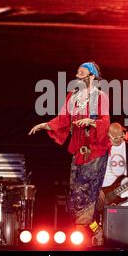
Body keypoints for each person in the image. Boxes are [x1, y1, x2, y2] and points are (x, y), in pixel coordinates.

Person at [29, 61, 110, 245]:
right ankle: (96, 231)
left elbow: (105, 121)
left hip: (95, 150)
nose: (77, 76)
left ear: (91, 76)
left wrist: (91, 121)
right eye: (77, 72)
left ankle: (83, 236)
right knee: (75, 198)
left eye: (81, 73)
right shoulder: (72, 96)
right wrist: (45, 125)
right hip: (78, 152)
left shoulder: (100, 96)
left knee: (86, 196)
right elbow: (63, 119)